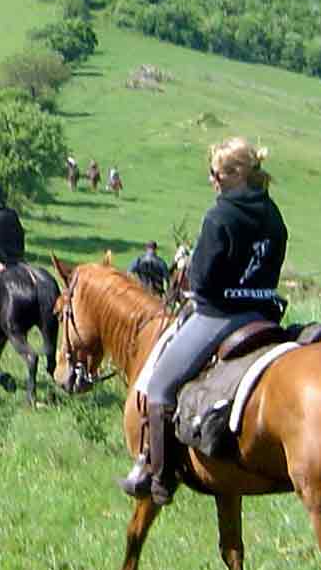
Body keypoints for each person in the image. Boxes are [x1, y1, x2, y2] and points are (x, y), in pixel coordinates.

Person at [122, 137, 287, 505]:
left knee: (160, 386)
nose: (211, 180)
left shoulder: (220, 215)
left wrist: (191, 266)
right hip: (264, 312)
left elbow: (202, 282)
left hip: (219, 314)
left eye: (213, 173)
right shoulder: (272, 213)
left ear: (233, 174)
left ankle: (159, 477)